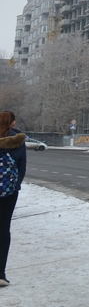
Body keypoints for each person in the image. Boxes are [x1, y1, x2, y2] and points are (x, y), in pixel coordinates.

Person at [0, 111, 26, 287]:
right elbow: (21, 168)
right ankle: (0, 273)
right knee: (3, 229)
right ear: (12, 123)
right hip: (8, 192)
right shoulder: (18, 142)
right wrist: (14, 186)